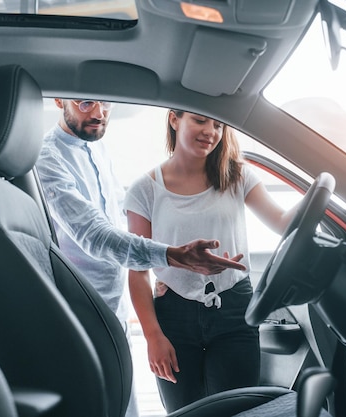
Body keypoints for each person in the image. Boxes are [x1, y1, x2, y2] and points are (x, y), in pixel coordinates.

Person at [36, 99, 247, 417]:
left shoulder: (95, 146)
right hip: (81, 311)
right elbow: (95, 236)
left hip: (111, 305)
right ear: (59, 101)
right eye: (85, 103)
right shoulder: (48, 158)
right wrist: (172, 257)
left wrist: (163, 268)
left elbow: (116, 224)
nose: (98, 113)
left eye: (106, 104)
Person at [124, 109, 298, 412]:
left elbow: (283, 221)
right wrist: (153, 337)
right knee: (185, 412)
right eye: (201, 120)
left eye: (218, 124)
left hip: (233, 308)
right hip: (173, 315)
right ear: (174, 119)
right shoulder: (145, 190)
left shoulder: (237, 175)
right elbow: (137, 272)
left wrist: (322, 188)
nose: (211, 132)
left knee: (238, 411)